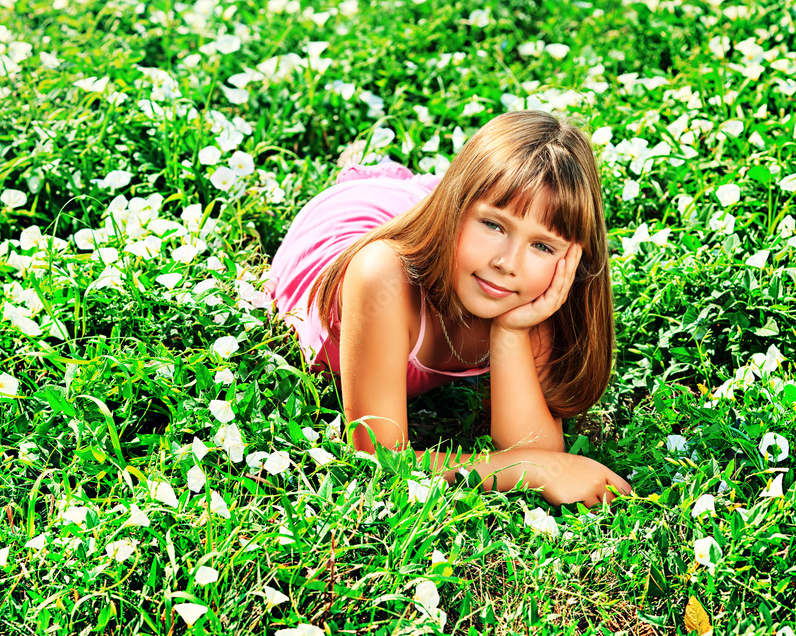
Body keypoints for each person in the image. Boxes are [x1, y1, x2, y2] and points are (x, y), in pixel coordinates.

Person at [264, 110, 633, 507]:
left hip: (442, 230)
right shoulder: (381, 278)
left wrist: (512, 331)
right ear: (456, 208)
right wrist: (525, 470)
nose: (508, 263)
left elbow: (537, 446)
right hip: (349, 225)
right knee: (418, 221)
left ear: (571, 260)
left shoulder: (531, 293)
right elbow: (377, 456)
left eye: (542, 246)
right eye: (494, 225)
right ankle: (379, 174)